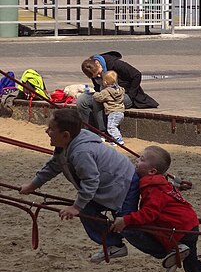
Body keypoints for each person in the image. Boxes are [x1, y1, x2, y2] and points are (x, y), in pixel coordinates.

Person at [19, 108, 139, 263]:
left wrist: (75, 208)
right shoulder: (65, 146)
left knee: (127, 226)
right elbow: (52, 167)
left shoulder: (81, 152)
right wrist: (32, 186)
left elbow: (91, 181)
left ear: (65, 135)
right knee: (87, 210)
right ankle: (113, 244)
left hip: (124, 184)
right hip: (108, 186)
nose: (46, 131)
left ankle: (170, 244)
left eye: (51, 129)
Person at [77, 50, 158, 134]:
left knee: (98, 100)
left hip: (123, 95)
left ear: (97, 63)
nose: (98, 76)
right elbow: (97, 88)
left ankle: (103, 131)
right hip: (105, 93)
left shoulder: (115, 64)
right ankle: (88, 131)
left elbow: (137, 75)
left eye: (98, 73)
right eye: (95, 76)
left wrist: (131, 94)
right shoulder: (93, 71)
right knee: (82, 100)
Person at [92, 70, 125, 146]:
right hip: (120, 112)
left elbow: (99, 97)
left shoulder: (106, 91)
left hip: (113, 112)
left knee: (111, 127)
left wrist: (94, 94)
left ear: (105, 82)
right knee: (114, 126)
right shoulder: (120, 89)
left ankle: (119, 140)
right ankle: (114, 139)